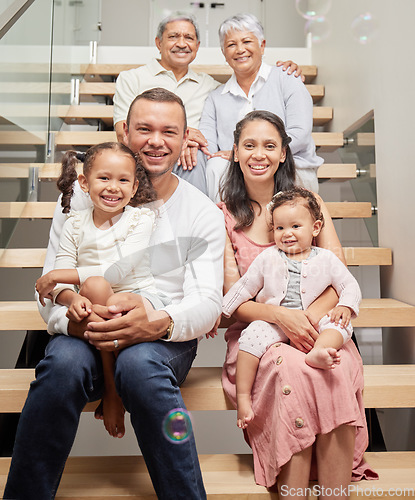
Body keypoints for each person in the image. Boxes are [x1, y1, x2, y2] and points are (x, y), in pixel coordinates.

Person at [4, 88, 226, 500]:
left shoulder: (201, 212)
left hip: (160, 338)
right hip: (87, 331)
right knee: (62, 367)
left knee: (140, 366)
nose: (156, 141)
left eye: (168, 132)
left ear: (183, 139)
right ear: (124, 131)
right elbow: (52, 287)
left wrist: (158, 322)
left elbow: (208, 301)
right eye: (144, 128)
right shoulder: (77, 201)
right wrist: (77, 319)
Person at [217, 110, 377, 494]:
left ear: (284, 153)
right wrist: (280, 317)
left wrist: (305, 319)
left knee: (333, 367)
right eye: (249, 145)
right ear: (235, 153)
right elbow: (233, 300)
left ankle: (335, 489)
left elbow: (338, 280)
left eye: (270, 145)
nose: (259, 154)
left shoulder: (310, 203)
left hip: (319, 328)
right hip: (260, 335)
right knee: (289, 368)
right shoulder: (223, 215)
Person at [35, 142, 169, 439]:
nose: (113, 187)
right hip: (92, 303)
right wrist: (71, 298)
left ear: (134, 188)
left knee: (97, 284)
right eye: (104, 178)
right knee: (92, 288)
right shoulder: (74, 224)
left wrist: (60, 277)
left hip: (135, 300)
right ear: (84, 183)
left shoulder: (141, 219)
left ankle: (110, 388)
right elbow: (61, 287)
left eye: (123, 180)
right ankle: (111, 389)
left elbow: (118, 267)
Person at [113, 12, 303, 193]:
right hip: (148, 153)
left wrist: (187, 143)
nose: (181, 43)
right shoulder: (132, 78)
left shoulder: (211, 87)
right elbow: (124, 134)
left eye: (188, 38)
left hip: (189, 159)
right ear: (158, 42)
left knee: (196, 159)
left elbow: (208, 141)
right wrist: (180, 139)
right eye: (173, 37)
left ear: (197, 45)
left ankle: (201, 222)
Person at [222, 186, 362, 429]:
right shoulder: (267, 258)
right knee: (250, 337)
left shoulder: (326, 259)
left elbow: (349, 284)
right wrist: (220, 312)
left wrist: (347, 307)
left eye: (295, 226)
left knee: (338, 327)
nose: (287, 233)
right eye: (279, 228)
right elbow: (244, 288)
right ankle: (244, 398)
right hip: (275, 323)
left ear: (315, 228)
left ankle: (320, 351)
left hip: (316, 323)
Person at [197, 13, 323, 201]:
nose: (240, 50)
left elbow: (300, 133)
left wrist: (256, 155)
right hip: (238, 173)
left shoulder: (287, 78)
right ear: (224, 53)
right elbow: (209, 148)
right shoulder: (215, 98)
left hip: (290, 167)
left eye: (247, 41)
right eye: (231, 45)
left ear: (262, 46)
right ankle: (223, 227)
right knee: (215, 165)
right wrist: (239, 158)